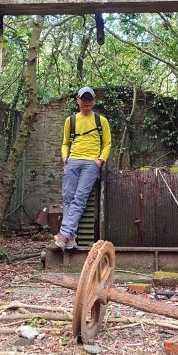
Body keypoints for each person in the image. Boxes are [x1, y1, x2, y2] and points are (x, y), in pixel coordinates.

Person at [54, 87, 112, 249]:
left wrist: (100, 160)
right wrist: (65, 157)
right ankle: (71, 238)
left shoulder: (102, 121)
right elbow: (65, 143)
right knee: (68, 198)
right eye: (84, 98)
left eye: (89, 99)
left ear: (94, 101)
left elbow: (107, 143)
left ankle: (64, 234)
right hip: (72, 161)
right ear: (78, 101)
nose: (87, 101)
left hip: (91, 164)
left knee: (79, 198)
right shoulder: (70, 120)